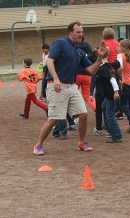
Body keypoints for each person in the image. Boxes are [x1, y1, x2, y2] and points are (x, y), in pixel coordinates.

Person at [33, 21, 106, 156]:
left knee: (83, 114)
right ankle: (38, 145)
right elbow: (49, 61)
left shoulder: (79, 52)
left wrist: (100, 58)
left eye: (82, 32)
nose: (80, 34)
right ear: (70, 32)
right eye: (77, 32)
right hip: (56, 86)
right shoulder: (60, 43)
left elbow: (91, 70)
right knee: (54, 118)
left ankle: (81, 142)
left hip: (71, 86)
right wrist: (55, 78)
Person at [95, 47, 122, 143]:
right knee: (104, 107)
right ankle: (110, 129)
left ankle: (116, 135)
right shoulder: (107, 65)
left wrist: (116, 92)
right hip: (109, 94)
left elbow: (112, 79)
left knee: (109, 114)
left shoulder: (103, 69)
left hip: (111, 94)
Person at [75, 36, 96, 112]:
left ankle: (75, 117)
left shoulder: (75, 47)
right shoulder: (87, 46)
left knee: (73, 96)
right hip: (87, 74)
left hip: (76, 75)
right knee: (87, 97)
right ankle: (97, 110)